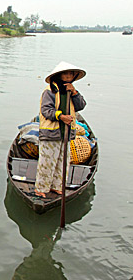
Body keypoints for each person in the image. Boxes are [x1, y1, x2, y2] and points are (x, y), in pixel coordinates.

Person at [35, 62, 87, 198]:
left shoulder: (71, 90)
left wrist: (74, 92)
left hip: (66, 133)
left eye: (71, 74)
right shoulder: (49, 91)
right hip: (51, 132)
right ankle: (41, 188)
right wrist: (61, 116)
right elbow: (46, 110)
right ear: (59, 75)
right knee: (47, 162)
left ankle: (56, 186)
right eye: (66, 73)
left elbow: (81, 105)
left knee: (62, 162)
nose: (68, 76)